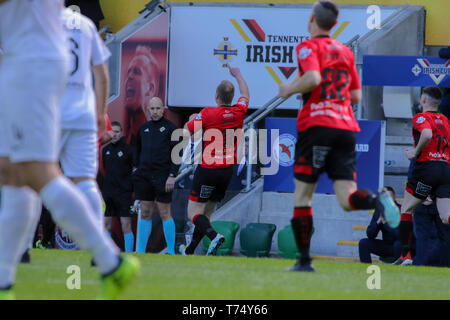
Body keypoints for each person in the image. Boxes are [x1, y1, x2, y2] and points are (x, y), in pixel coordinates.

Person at [0, 1, 139, 300]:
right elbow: (101, 73)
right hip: (58, 87)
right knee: (12, 172)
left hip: (31, 65)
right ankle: (4, 282)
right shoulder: (86, 26)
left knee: (35, 172)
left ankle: (109, 260)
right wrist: (101, 112)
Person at [277, 0, 399, 272]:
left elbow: (312, 78)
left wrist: (288, 89)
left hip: (316, 125)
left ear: (311, 19)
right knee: (346, 199)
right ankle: (378, 200)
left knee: (303, 197)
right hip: (345, 126)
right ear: (334, 24)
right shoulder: (345, 51)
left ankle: (305, 261)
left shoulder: (307, 46)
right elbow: (355, 96)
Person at [178, 64, 250, 256]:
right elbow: (245, 93)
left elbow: (185, 132)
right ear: (231, 97)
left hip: (208, 168)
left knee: (193, 213)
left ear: (216, 97)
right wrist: (238, 74)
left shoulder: (208, 113)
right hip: (226, 171)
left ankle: (214, 236)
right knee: (207, 214)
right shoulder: (239, 111)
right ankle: (191, 250)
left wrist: (193, 119)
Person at [393, 86, 450, 265]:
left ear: (424, 101)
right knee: (445, 217)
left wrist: (415, 152)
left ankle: (406, 255)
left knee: (406, 209)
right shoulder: (446, 120)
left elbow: (426, 133)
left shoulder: (420, 117)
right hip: (446, 170)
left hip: (427, 169)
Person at [134, 97, 179, 255]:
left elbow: (176, 155)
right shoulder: (143, 128)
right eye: (152, 109)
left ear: (163, 109)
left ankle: (172, 251)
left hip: (163, 177)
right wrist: (137, 171)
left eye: (158, 108)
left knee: (165, 212)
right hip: (144, 177)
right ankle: (140, 251)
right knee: (145, 212)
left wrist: (172, 175)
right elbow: (137, 152)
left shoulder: (171, 129)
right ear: (148, 110)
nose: (155, 112)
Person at [102, 121, 136, 252]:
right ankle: (107, 253)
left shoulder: (128, 150)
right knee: (106, 225)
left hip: (123, 194)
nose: (114, 134)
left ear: (121, 133)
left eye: (117, 132)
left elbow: (133, 171)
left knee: (125, 225)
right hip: (108, 193)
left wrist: (130, 188)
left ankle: (128, 254)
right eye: (112, 132)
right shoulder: (105, 150)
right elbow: (105, 169)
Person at [123, 45, 162, 146]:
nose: (129, 77)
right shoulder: (122, 141)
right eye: (128, 72)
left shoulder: (158, 138)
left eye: (136, 72)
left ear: (150, 89)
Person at [358, 187, 402, 264]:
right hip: (386, 246)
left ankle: (398, 270)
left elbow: (400, 235)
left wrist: (386, 224)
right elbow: (370, 235)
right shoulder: (379, 211)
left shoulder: (401, 210)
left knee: (397, 244)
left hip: (399, 247)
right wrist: (378, 222)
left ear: (394, 198)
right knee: (363, 243)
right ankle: (366, 269)